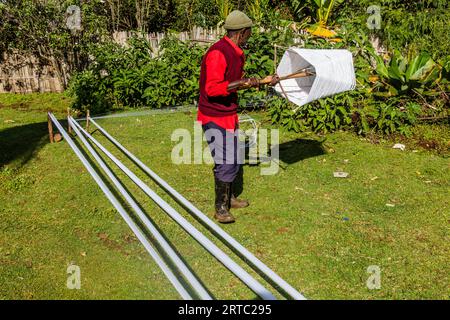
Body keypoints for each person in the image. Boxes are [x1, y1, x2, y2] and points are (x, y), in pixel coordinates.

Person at [197, 10, 278, 223]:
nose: (251, 34)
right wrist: (243, 82)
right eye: (250, 31)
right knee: (225, 160)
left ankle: (229, 197)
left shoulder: (235, 51)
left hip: (227, 113)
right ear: (242, 32)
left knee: (233, 157)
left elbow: (233, 83)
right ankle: (221, 209)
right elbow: (213, 89)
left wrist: (262, 81)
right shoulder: (218, 53)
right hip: (214, 115)